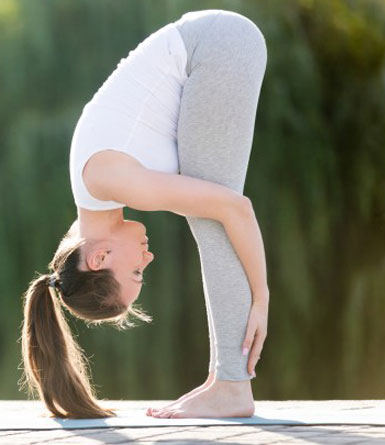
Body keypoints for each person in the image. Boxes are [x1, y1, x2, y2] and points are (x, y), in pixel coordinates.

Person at [20, 9, 270, 419]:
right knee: (205, 209)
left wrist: (261, 298)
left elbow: (238, 210)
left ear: (100, 258)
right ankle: (220, 381)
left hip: (216, 47)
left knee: (214, 216)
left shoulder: (112, 183)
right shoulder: (91, 214)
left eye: (136, 273)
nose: (147, 260)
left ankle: (230, 386)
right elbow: (68, 264)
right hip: (215, 42)